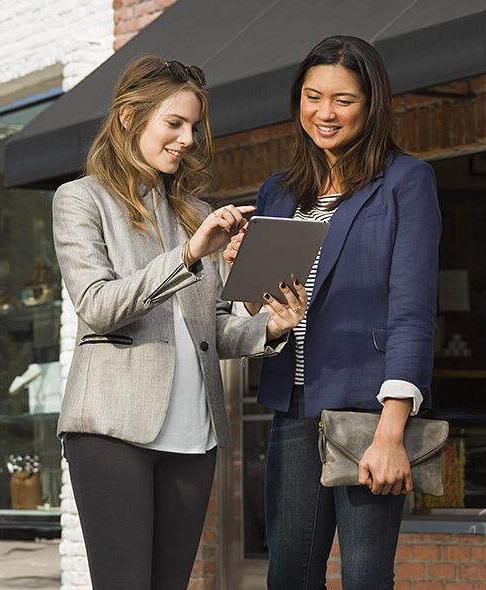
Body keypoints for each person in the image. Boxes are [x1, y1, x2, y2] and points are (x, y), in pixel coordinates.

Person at [51, 55, 308, 590]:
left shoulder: (193, 212)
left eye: (194, 126)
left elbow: (211, 330)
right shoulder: (81, 200)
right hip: (111, 428)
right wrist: (189, 256)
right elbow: (97, 305)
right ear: (128, 118)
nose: (188, 138)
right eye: (174, 123)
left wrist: (270, 328)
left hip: (195, 432)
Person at [224, 36, 441, 589]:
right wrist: (240, 273)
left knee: (366, 577)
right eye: (312, 96)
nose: (324, 113)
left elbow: (412, 311)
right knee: (288, 576)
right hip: (292, 409)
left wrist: (392, 432)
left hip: (367, 415)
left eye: (343, 100)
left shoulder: (404, 182)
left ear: (371, 105)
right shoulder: (278, 192)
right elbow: (261, 311)